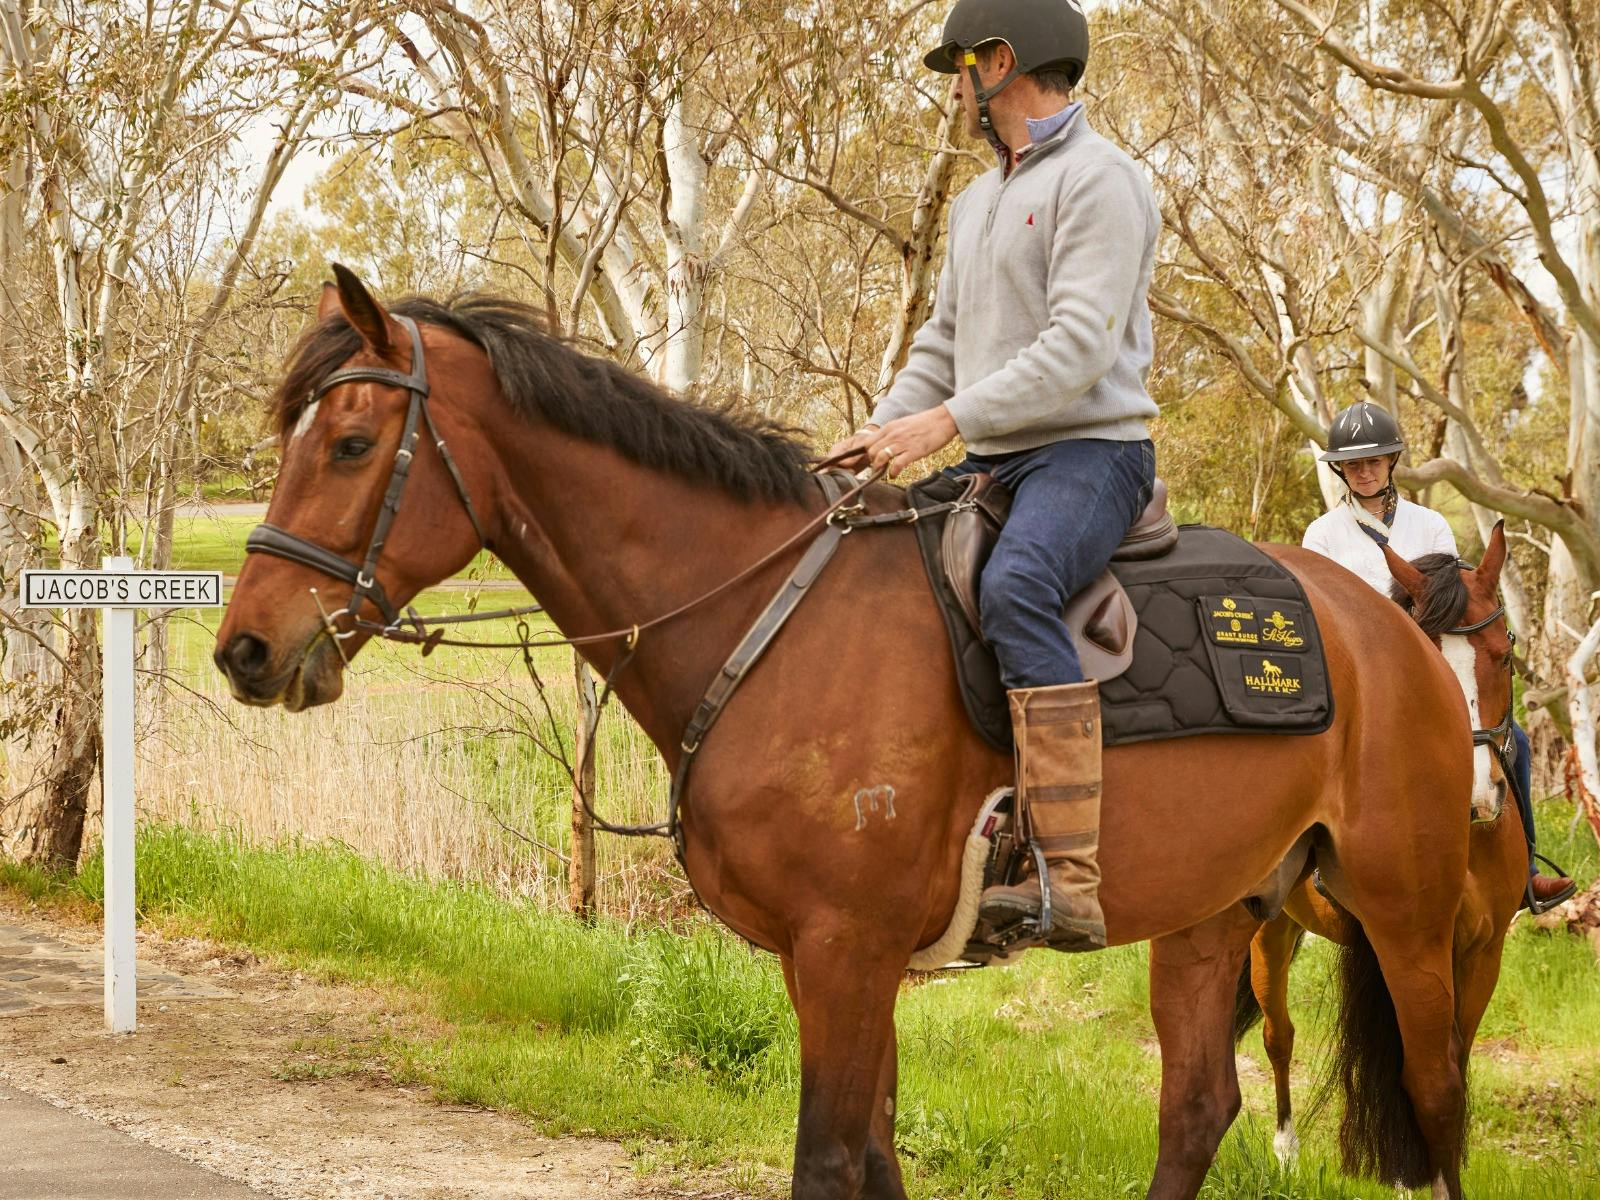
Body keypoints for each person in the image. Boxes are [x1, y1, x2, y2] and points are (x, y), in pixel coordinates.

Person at [829, 0, 1159, 951]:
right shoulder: (977, 202)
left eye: (962, 67)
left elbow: (1078, 349)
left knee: (1017, 583)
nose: (957, 88)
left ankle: (1068, 878)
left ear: (1002, 62)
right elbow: (942, 342)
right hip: (996, 455)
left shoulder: (1102, 183)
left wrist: (945, 421)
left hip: (1093, 454)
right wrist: (881, 429)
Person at [1304, 401, 1574, 908]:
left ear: (1391, 463)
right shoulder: (1323, 535)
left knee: (1514, 740)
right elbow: (1322, 617)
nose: (1364, 472)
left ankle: (1525, 875)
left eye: (1374, 461)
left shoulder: (1429, 525)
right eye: (1354, 464)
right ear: (1340, 468)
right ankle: (1311, 863)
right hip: (1359, 680)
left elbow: (1455, 601)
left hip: (1430, 672)